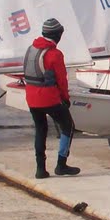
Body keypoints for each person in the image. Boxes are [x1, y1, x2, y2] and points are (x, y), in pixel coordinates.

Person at [23, 18, 80, 179]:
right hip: (49, 98)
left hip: (31, 98)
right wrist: (65, 99)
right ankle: (61, 165)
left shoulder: (30, 49)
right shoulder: (55, 54)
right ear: (57, 35)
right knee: (68, 126)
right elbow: (61, 80)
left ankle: (40, 169)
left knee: (40, 130)